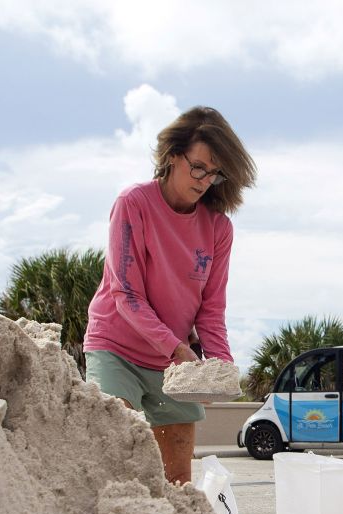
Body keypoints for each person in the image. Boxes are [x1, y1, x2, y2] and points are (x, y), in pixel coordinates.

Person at [84, 106, 256, 484]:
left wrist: (220, 370)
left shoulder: (218, 228)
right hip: (117, 347)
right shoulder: (134, 203)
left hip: (174, 365)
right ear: (172, 157)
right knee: (112, 463)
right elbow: (125, 293)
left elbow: (211, 310)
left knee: (179, 482)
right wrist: (179, 351)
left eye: (215, 173)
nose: (205, 180)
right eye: (198, 167)